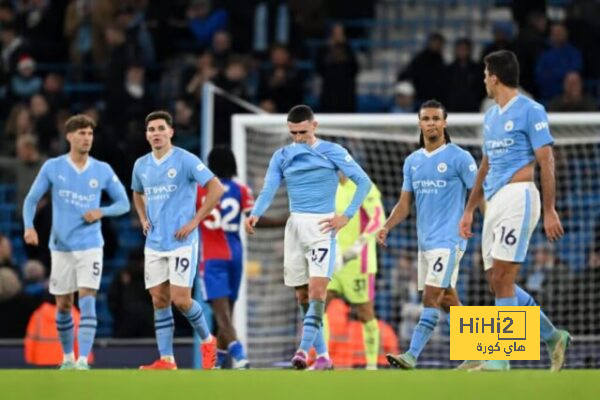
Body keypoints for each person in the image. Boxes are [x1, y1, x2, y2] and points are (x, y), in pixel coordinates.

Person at [459, 50, 570, 372]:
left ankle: (500, 359)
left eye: (484, 74)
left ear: (494, 76)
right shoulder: (491, 116)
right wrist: (469, 209)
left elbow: (546, 159)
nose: (483, 79)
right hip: (493, 202)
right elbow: (486, 163)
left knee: (505, 275)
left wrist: (550, 209)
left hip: (520, 196)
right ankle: (552, 336)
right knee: (496, 279)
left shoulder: (531, 110)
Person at [245, 105, 372, 370]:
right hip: (295, 227)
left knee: (317, 291)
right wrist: (256, 213)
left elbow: (363, 182)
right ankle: (324, 356)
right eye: (293, 133)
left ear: (314, 126)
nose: (298, 138)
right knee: (302, 296)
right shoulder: (282, 155)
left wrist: (346, 216)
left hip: (322, 228)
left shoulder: (333, 151)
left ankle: (303, 351)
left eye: (303, 132)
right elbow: (269, 187)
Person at [22, 114, 130, 370]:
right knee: (64, 305)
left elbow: (123, 203)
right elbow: (30, 199)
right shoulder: (53, 167)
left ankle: (83, 360)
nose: (87, 138)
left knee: (88, 298)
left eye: (90, 134)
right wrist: (29, 226)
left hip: (91, 245)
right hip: (60, 248)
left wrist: (101, 211)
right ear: (69, 136)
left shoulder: (102, 169)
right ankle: (68, 357)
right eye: (81, 133)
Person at [376, 100, 477, 369]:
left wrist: (489, 226)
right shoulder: (412, 162)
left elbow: (479, 193)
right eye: (426, 119)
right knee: (447, 299)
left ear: (444, 123)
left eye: (435, 118)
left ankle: (411, 355)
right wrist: (386, 225)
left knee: (430, 298)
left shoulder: (459, 157)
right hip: (426, 244)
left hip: (450, 240)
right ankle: (479, 351)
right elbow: (404, 204)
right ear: (419, 123)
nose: (431, 123)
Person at [131, 110, 225, 370]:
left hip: (182, 242)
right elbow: (137, 192)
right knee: (159, 299)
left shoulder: (185, 160)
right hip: (154, 243)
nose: (156, 133)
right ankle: (166, 360)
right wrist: (142, 217)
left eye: (161, 128)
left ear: (171, 132)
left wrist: (195, 221)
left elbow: (216, 188)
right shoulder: (141, 165)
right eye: (151, 130)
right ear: (147, 134)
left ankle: (208, 342)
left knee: (181, 299)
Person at [197, 146, 254, 369]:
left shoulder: (200, 191)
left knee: (222, 316)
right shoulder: (241, 190)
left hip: (211, 257)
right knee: (226, 314)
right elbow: (256, 219)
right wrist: (286, 219)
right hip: (236, 255)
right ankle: (217, 363)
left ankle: (240, 357)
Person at [325, 164, 385, 370]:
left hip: (359, 264)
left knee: (365, 312)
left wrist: (357, 248)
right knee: (318, 306)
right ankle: (322, 359)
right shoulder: (328, 188)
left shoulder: (363, 186)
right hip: (333, 261)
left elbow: (379, 219)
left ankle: (371, 366)